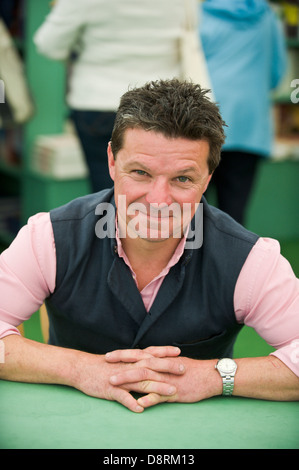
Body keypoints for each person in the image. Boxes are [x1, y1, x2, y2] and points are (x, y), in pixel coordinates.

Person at [0, 79, 298, 413]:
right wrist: (80, 368)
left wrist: (214, 377)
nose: (158, 201)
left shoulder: (250, 260)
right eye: (140, 172)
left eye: (182, 178)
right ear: (112, 162)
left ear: (208, 177)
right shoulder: (50, 238)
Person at [33, 0, 194, 193]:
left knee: (107, 190)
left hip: (99, 99)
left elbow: (48, 44)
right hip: (163, 101)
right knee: (168, 188)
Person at [199, 0, 287, 225]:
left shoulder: (200, 15)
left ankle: (191, 260)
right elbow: (278, 73)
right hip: (249, 125)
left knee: (194, 210)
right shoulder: (268, 17)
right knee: (234, 214)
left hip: (203, 121)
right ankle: (234, 260)